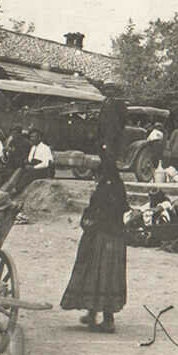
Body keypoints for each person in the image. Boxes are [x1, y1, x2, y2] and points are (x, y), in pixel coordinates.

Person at [60, 98, 129, 333]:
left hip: (105, 236)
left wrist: (91, 220)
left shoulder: (109, 187)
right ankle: (92, 313)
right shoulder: (114, 185)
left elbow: (107, 209)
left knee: (102, 275)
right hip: (108, 235)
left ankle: (106, 318)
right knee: (98, 275)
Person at [4, 128, 54, 194]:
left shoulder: (45, 148)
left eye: (33, 137)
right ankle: (8, 188)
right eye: (31, 137)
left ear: (39, 138)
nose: (31, 139)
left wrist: (33, 167)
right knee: (19, 170)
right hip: (33, 166)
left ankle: (16, 190)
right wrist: (27, 164)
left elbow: (46, 163)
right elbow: (30, 159)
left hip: (42, 170)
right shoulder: (33, 148)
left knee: (28, 175)